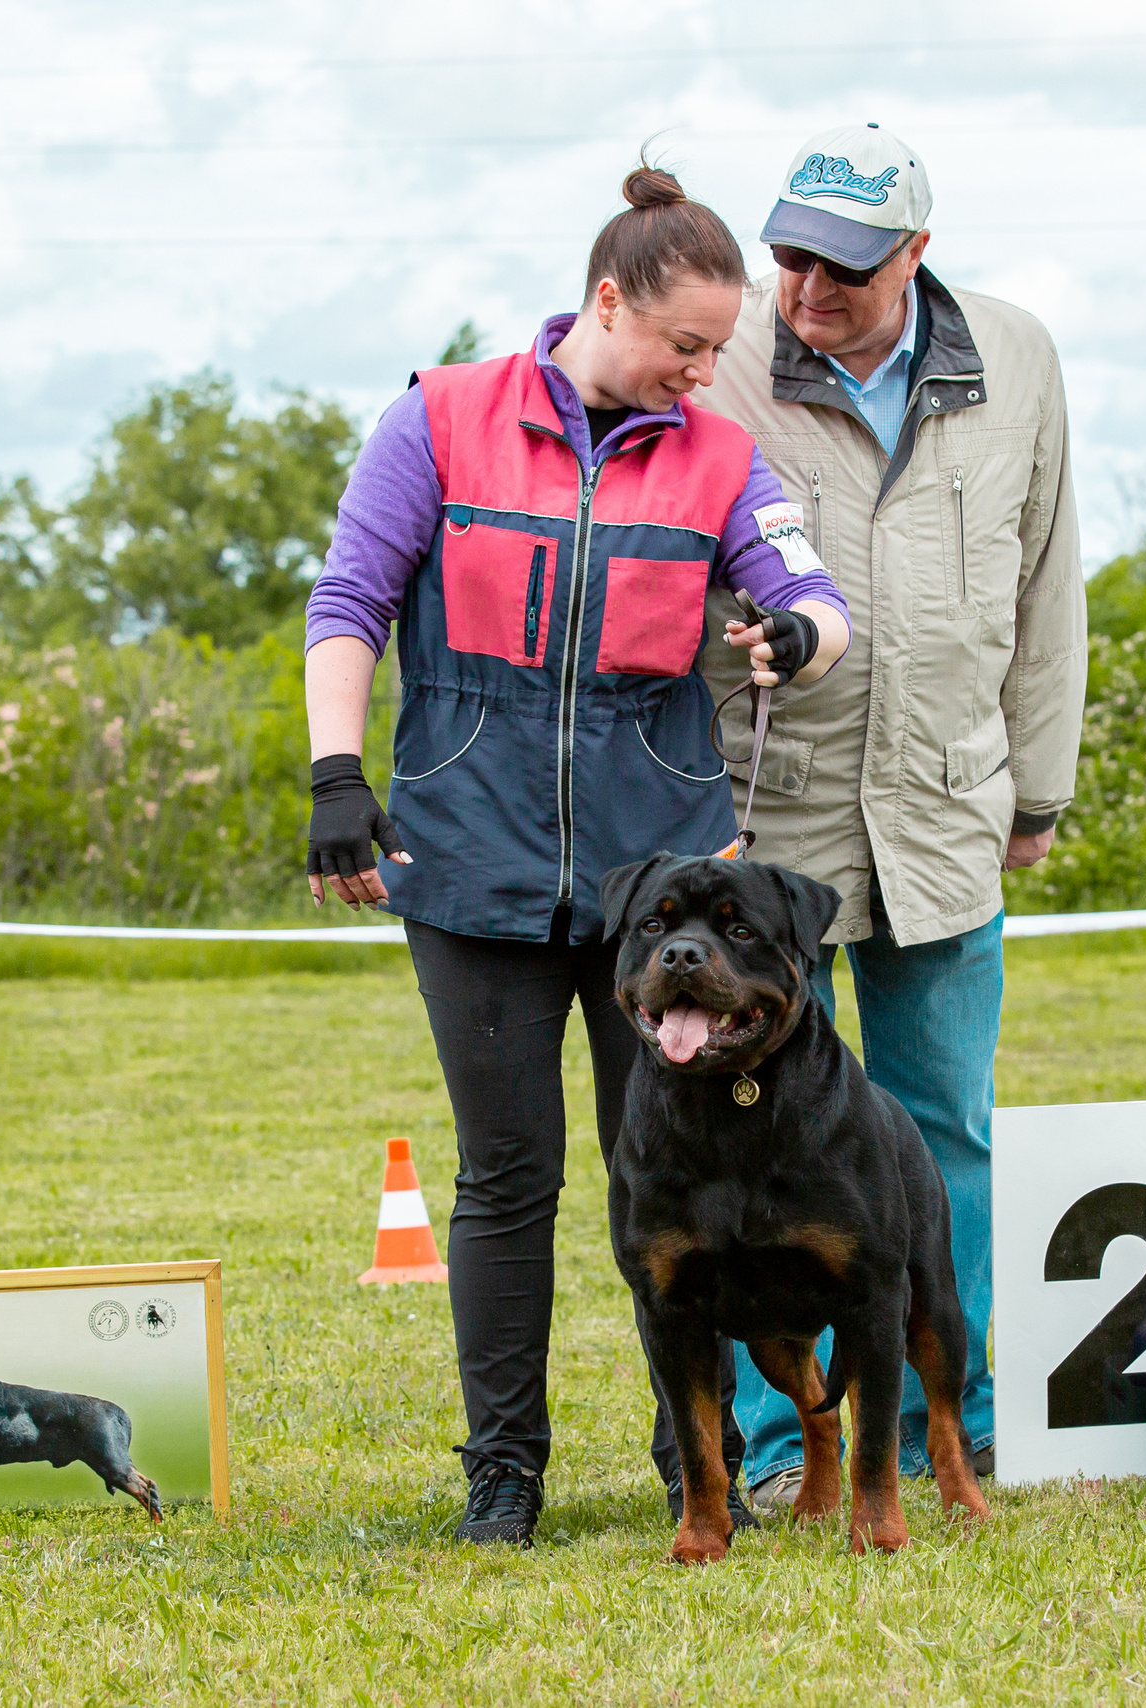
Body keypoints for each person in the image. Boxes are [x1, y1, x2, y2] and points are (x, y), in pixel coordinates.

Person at [301, 164, 852, 1548]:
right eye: (687, 345)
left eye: (720, 352)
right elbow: (351, 601)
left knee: (678, 1182)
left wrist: (793, 633)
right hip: (467, 856)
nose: (704, 372)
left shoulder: (720, 456)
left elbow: (813, 597)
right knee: (506, 1176)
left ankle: (696, 1469)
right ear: (609, 302)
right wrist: (334, 776)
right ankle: (503, 1474)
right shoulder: (437, 420)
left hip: (657, 887)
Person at [694, 123, 1086, 1510]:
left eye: (842, 269)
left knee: (941, 1134)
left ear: (918, 252)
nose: (802, 289)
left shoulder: (1022, 357)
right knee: (754, 1140)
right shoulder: (722, 351)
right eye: (789, 253)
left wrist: (1038, 787)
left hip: (942, 813)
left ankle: (943, 1427)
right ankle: (792, 1441)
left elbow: (1048, 586)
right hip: (769, 828)